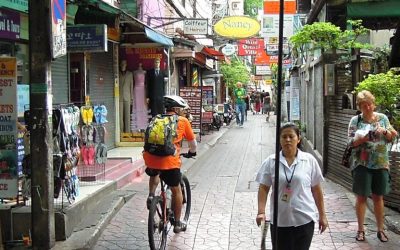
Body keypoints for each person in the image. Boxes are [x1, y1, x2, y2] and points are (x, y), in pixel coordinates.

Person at [255, 123, 328, 250]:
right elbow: (263, 188)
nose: (287, 140)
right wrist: (261, 212)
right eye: (284, 137)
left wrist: (322, 215)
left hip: (304, 219)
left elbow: (316, 189)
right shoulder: (271, 161)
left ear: (298, 139)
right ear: (279, 139)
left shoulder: (309, 160)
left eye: (291, 136)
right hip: (279, 221)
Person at [347, 90, 398, 242]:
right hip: (361, 164)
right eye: (364, 105)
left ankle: (380, 230)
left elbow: (392, 136)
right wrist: (364, 138)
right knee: (361, 197)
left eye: (369, 104)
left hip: (381, 163)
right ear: (359, 107)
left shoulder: (382, 118)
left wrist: (385, 132)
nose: (368, 107)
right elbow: (350, 143)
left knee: (378, 197)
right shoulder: (355, 121)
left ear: (373, 104)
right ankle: (361, 229)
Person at [143, 95, 197, 233]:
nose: (184, 112)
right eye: (182, 109)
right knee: (176, 190)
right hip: (170, 161)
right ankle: (178, 223)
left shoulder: (156, 119)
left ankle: (151, 195)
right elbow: (193, 143)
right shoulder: (183, 121)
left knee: (155, 170)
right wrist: (192, 152)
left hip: (150, 158)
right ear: (176, 109)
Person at [132, 63, 148, 131]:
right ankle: (137, 125)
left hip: (142, 90)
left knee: (142, 106)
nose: (140, 66)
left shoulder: (145, 72)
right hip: (136, 89)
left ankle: (143, 125)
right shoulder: (134, 72)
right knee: (137, 106)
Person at [119, 59, 133, 132]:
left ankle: (127, 132)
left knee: (127, 116)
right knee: (120, 117)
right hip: (119, 98)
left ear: (126, 64)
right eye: (122, 64)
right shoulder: (117, 74)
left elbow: (131, 86)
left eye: (124, 64)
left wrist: (132, 98)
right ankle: (121, 132)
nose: (123, 65)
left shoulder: (130, 74)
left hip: (127, 97)